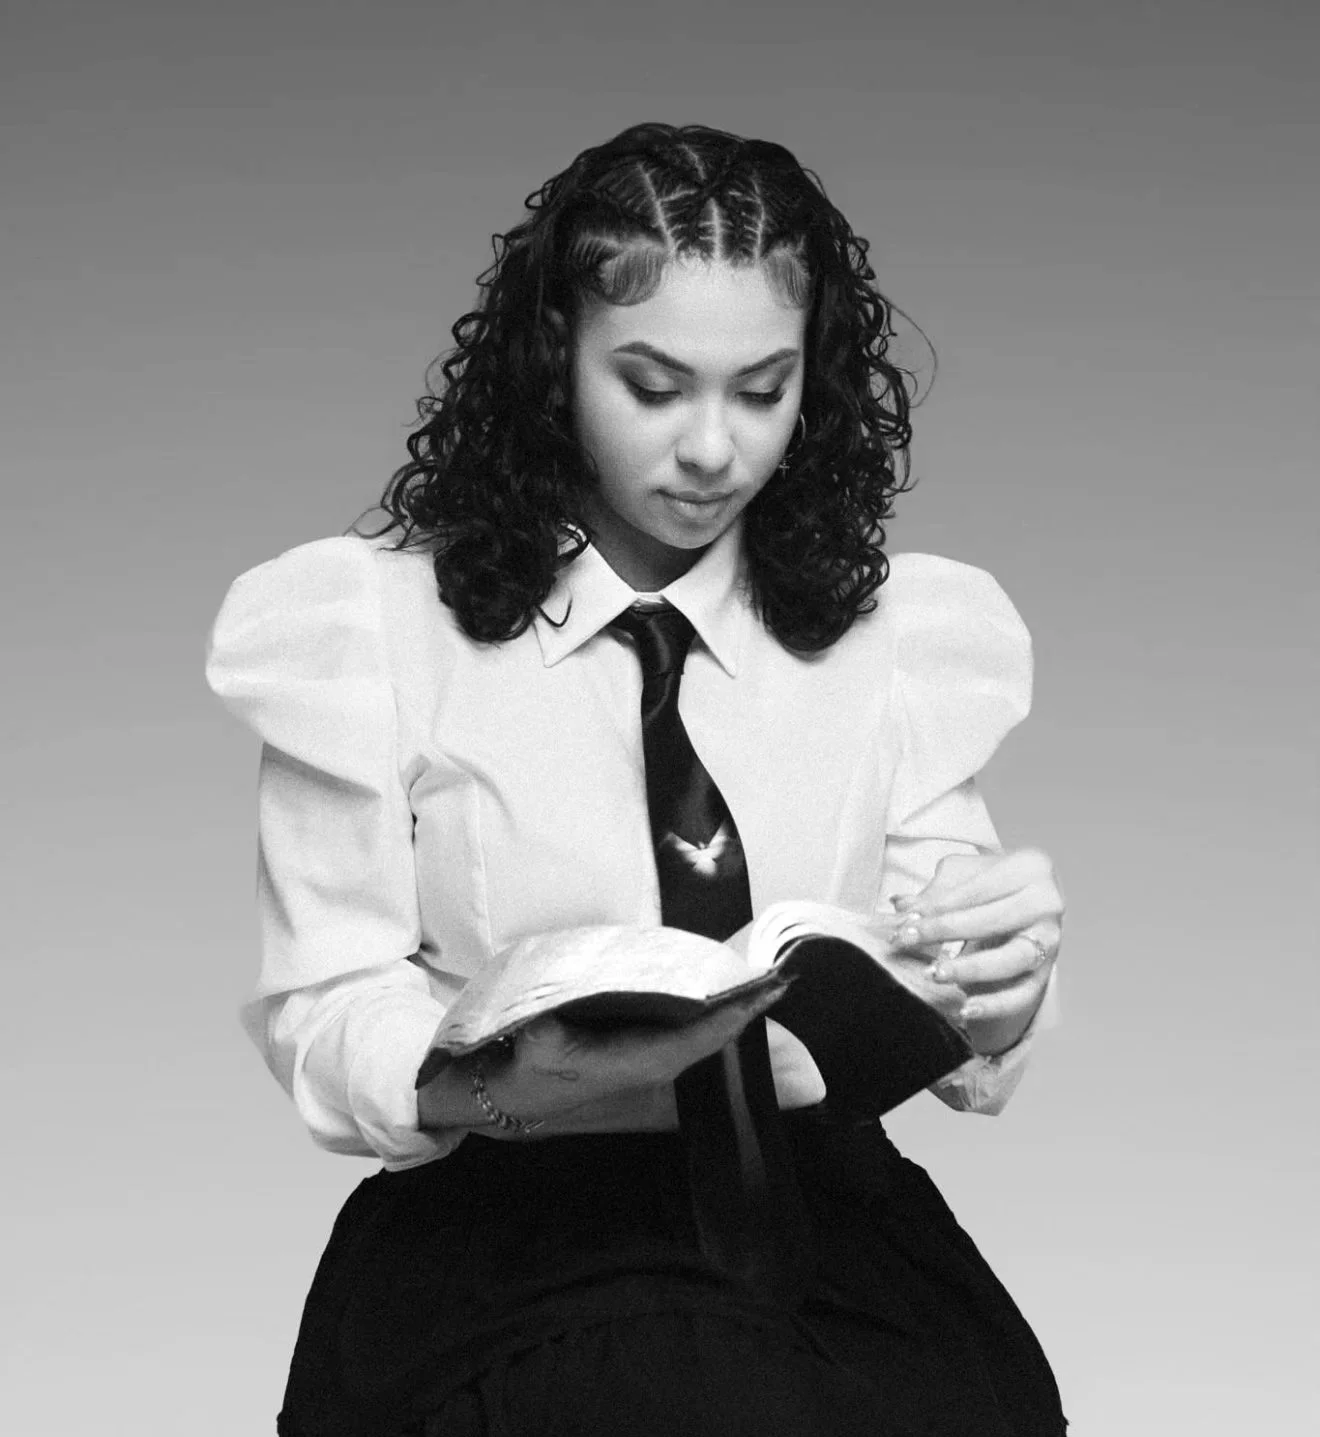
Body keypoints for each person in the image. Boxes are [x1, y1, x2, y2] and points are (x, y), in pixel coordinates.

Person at [206, 122, 1067, 1436]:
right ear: (555, 357)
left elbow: (934, 953)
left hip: (826, 1237)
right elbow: (326, 1002)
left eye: (761, 390)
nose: (713, 449)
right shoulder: (373, 630)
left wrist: (996, 984)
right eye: (655, 388)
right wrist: (483, 1081)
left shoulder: (887, 644)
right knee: (681, 1397)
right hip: (509, 1247)